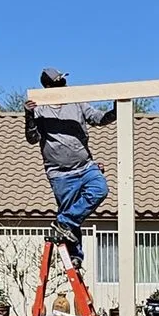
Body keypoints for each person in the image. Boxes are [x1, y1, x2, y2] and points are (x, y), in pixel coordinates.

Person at [24, 67, 116, 268]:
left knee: (99, 190)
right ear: (49, 87)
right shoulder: (40, 109)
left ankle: (63, 221)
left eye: (64, 81)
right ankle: (75, 255)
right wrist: (29, 116)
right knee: (70, 210)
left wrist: (115, 111)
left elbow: (98, 119)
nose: (64, 85)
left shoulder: (76, 102)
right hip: (60, 173)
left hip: (85, 165)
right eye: (59, 83)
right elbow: (32, 138)